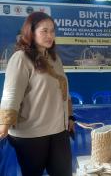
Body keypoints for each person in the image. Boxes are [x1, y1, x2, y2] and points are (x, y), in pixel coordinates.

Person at [0, 12, 74, 176]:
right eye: (44, 31)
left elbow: (64, 91)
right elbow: (11, 93)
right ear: (31, 32)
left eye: (52, 31)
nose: (50, 35)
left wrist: (69, 117)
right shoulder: (21, 58)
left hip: (58, 131)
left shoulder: (55, 59)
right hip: (31, 134)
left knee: (64, 172)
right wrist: (4, 124)